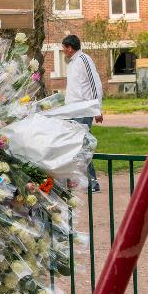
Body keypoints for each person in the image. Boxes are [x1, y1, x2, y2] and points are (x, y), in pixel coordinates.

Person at [62, 34, 103, 193]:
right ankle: (80, 180)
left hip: (84, 108)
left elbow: (95, 84)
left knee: (83, 143)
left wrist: (97, 109)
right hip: (73, 109)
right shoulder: (72, 63)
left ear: (70, 48)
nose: (63, 50)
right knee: (76, 144)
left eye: (64, 47)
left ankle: (92, 181)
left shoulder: (84, 60)